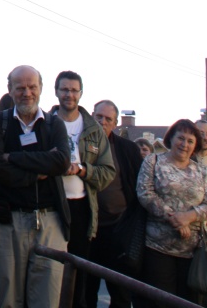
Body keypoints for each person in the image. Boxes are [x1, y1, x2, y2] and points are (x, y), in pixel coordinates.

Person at [0, 64, 70, 308]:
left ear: (41, 89)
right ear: (10, 90)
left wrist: (13, 158)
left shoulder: (54, 125)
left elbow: (61, 162)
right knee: (8, 299)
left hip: (50, 222)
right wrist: (36, 173)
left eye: (32, 87)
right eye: (20, 87)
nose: (27, 93)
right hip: (6, 222)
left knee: (46, 300)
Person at [52, 70, 115, 308]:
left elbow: (107, 172)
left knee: (78, 273)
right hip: (50, 205)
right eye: (64, 89)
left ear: (81, 93)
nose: (69, 94)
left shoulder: (93, 129)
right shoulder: (45, 123)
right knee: (50, 269)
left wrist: (81, 170)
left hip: (81, 208)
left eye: (73, 90)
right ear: (56, 92)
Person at [137, 118, 207, 304]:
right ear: (171, 138)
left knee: (188, 302)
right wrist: (175, 219)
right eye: (181, 138)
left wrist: (189, 217)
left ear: (195, 145)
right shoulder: (154, 161)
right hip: (158, 249)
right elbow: (145, 193)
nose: (184, 144)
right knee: (160, 302)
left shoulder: (201, 171)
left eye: (190, 141)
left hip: (193, 252)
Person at [86, 100, 142, 308]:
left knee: (120, 292)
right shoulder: (80, 145)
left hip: (118, 231)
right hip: (89, 229)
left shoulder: (127, 149)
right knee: (86, 290)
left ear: (116, 123)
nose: (102, 122)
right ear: (92, 117)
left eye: (108, 119)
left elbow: (138, 186)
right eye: (99, 117)